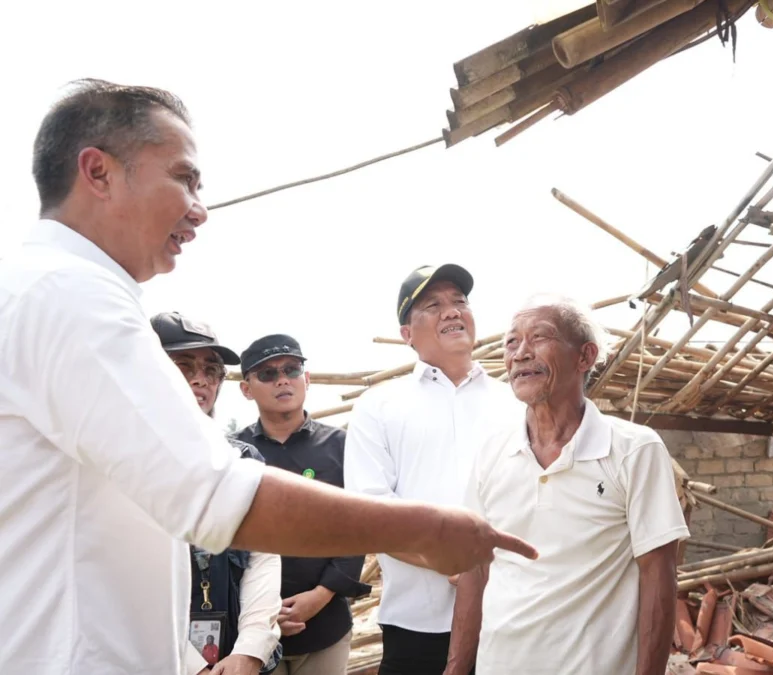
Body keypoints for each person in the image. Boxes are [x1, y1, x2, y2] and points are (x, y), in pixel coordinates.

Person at [0, 79, 535, 675]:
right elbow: (218, 497)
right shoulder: (69, 295)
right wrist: (430, 527)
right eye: (184, 178)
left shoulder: (46, 289)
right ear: (98, 172)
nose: (199, 209)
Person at [444, 296, 690, 675]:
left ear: (585, 357)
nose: (521, 353)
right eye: (512, 342)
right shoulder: (492, 452)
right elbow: (475, 571)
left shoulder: (633, 449)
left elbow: (659, 575)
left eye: (539, 337)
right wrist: (456, 669)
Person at [344, 264, 525, 675]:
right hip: (417, 626)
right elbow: (369, 514)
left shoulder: (515, 403)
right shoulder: (379, 406)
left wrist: (489, 568)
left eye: (460, 301)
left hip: (510, 615)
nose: (451, 311)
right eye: (433, 305)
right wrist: (451, 561)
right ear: (407, 334)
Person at [151, 311, 284, 675]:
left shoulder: (241, 460)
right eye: (183, 365)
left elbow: (263, 557)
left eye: (211, 370)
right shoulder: (122, 460)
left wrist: (250, 651)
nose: (200, 380)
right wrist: (193, 665)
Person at [234, 334, 373, 674]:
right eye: (267, 374)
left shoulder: (341, 446)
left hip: (325, 626)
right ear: (247, 388)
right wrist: (263, 613)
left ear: (306, 379)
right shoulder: (232, 454)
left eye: (291, 369)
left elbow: (358, 530)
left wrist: (320, 596)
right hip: (249, 631)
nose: (282, 379)